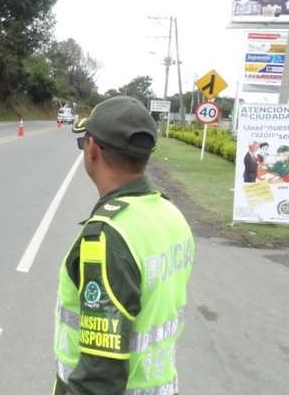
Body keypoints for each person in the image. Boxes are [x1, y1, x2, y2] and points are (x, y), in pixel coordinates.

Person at [54, 96, 195, 395]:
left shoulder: (106, 238)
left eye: (84, 142)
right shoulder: (171, 214)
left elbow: (99, 378)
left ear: (92, 149)